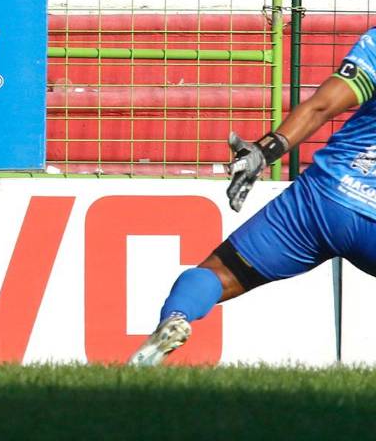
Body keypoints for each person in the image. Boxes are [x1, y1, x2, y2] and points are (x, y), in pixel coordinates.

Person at [130, 30, 376, 365]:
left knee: (219, 273)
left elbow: (321, 106)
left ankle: (177, 317)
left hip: (321, 198)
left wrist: (264, 151)